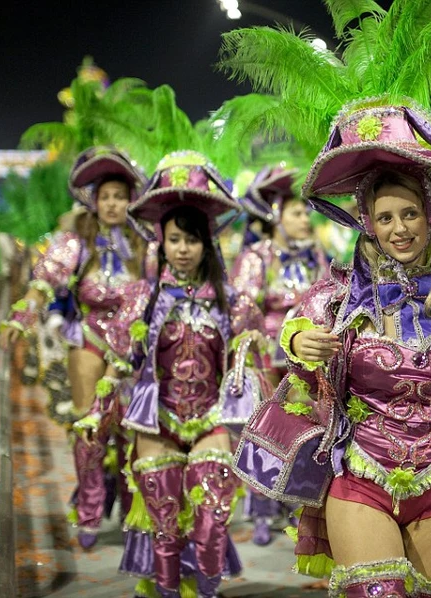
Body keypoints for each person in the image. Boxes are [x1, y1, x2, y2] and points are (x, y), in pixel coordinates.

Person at [233, 99, 431, 598]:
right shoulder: (338, 294)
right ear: (367, 224)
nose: (400, 229)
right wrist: (300, 341)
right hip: (360, 478)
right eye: (385, 217)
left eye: (410, 214)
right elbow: (292, 330)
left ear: (430, 215)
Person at [75, 151, 266, 598]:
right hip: (156, 422)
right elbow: (118, 365)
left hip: (211, 420)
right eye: (175, 239)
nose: (183, 249)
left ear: (206, 244)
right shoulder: (141, 298)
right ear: (161, 242)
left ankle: (207, 591)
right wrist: (96, 416)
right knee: (164, 526)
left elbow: (254, 371)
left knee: (213, 519)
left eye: (192, 240)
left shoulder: (233, 302)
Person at [0, 147, 147, 548]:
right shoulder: (75, 240)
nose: (113, 203)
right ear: (93, 200)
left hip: (134, 347)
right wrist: (21, 316)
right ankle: (90, 509)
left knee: (134, 432)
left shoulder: (146, 241)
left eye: (120, 195)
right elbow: (44, 281)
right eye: (106, 196)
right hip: (90, 338)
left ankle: (135, 512)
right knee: (89, 426)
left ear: (132, 200)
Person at [230, 165, 330, 545]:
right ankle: (259, 510)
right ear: (275, 215)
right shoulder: (256, 257)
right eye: (297, 212)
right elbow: (242, 305)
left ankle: (295, 500)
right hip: (267, 356)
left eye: (306, 212)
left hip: (305, 361)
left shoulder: (316, 256)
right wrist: (257, 335)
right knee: (267, 428)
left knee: (304, 429)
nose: (306, 219)